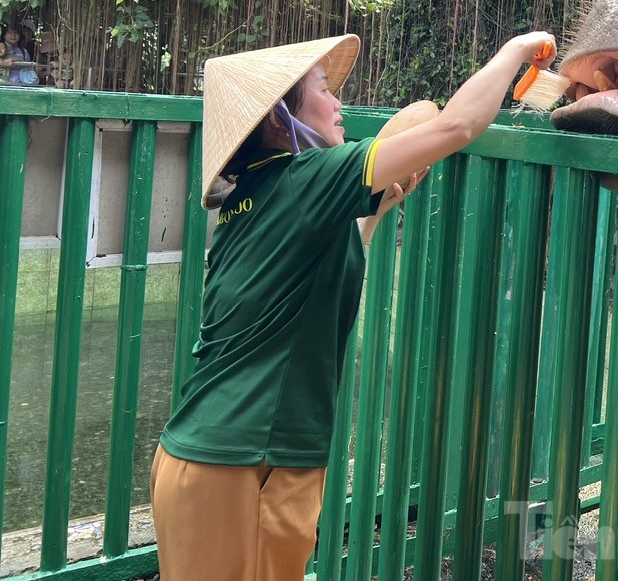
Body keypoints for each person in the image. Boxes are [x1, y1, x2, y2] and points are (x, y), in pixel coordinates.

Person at [149, 30, 555, 581]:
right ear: (278, 119)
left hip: (204, 459)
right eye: (322, 87)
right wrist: (516, 51)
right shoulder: (307, 178)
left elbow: (321, 260)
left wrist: (379, 208)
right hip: (247, 465)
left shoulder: (254, 195)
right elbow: (456, 126)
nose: (340, 102)